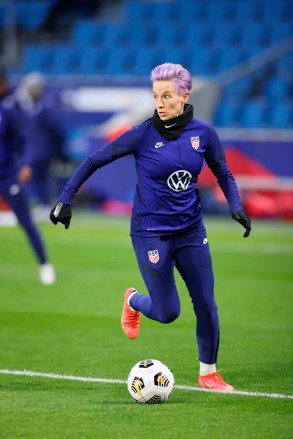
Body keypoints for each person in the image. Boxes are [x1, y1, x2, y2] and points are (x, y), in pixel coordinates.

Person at [50, 63, 251, 390]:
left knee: (206, 304)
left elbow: (223, 173)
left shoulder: (203, 133)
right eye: (156, 96)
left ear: (184, 97)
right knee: (167, 312)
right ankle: (133, 301)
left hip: (191, 231)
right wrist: (66, 198)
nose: (159, 102)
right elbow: (93, 160)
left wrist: (236, 205)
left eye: (167, 96)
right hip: (151, 233)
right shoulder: (142, 134)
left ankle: (208, 373)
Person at [0, 72, 56, 285]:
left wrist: (25, 164)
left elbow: (24, 141)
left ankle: (44, 265)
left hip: (6, 174)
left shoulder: (7, 112)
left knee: (26, 222)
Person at [14, 72, 66, 221]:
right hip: (35, 149)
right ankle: (42, 204)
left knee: (39, 177)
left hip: (43, 149)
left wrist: (57, 149)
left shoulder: (46, 106)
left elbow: (55, 129)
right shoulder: (33, 106)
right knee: (37, 178)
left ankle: (44, 205)